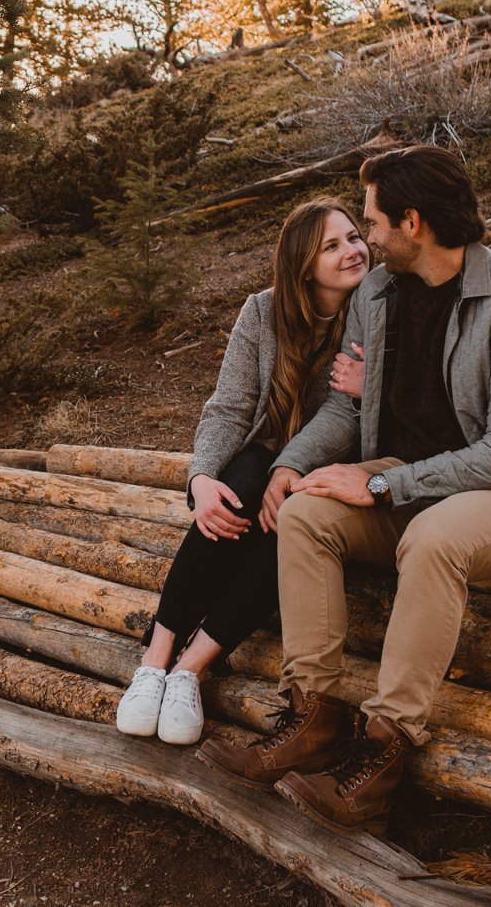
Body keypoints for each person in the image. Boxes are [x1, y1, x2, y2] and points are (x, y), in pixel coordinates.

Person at [197, 145, 491, 836]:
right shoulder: (378, 296)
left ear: (413, 222)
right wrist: (290, 465)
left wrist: (383, 480)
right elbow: (348, 410)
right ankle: (313, 717)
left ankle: (382, 757)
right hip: (407, 482)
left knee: (433, 537)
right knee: (306, 512)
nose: (367, 236)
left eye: (374, 222)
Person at [115, 198, 370, 745]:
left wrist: (298, 460)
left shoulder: (376, 311)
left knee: (287, 520)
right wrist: (201, 479)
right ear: (303, 263)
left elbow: (347, 416)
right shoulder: (262, 311)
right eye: (333, 245)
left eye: (354, 236)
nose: (353, 250)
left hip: (336, 467)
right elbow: (229, 408)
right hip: (262, 461)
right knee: (245, 477)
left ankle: (191, 670)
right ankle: (155, 661)